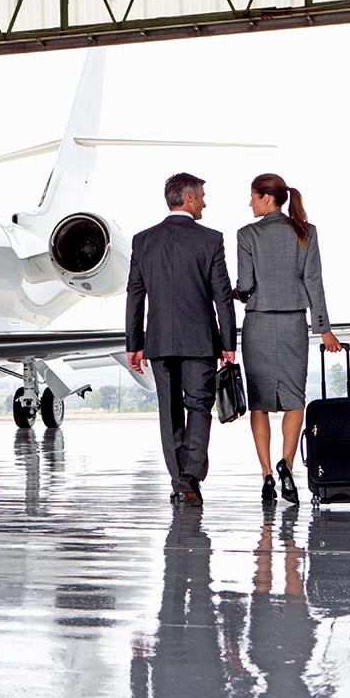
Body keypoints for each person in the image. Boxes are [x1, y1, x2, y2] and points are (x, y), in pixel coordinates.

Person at [126, 173, 237, 506]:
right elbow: (222, 296)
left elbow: (135, 294)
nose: (205, 201)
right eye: (202, 195)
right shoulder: (210, 240)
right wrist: (229, 342)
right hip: (200, 340)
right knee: (199, 406)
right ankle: (189, 477)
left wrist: (134, 342)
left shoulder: (143, 240)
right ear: (189, 198)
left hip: (159, 342)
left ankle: (180, 481)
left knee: (169, 411)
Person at [234, 173, 341, 504]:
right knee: (295, 400)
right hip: (294, 322)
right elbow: (314, 281)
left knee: (260, 402)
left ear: (267, 198)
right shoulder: (306, 232)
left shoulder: (246, 234)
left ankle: (267, 474)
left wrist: (235, 293)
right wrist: (323, 328)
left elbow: (247, 284)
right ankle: (287, 465)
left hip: (259, 323)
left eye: (253, 197)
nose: (249, 203)